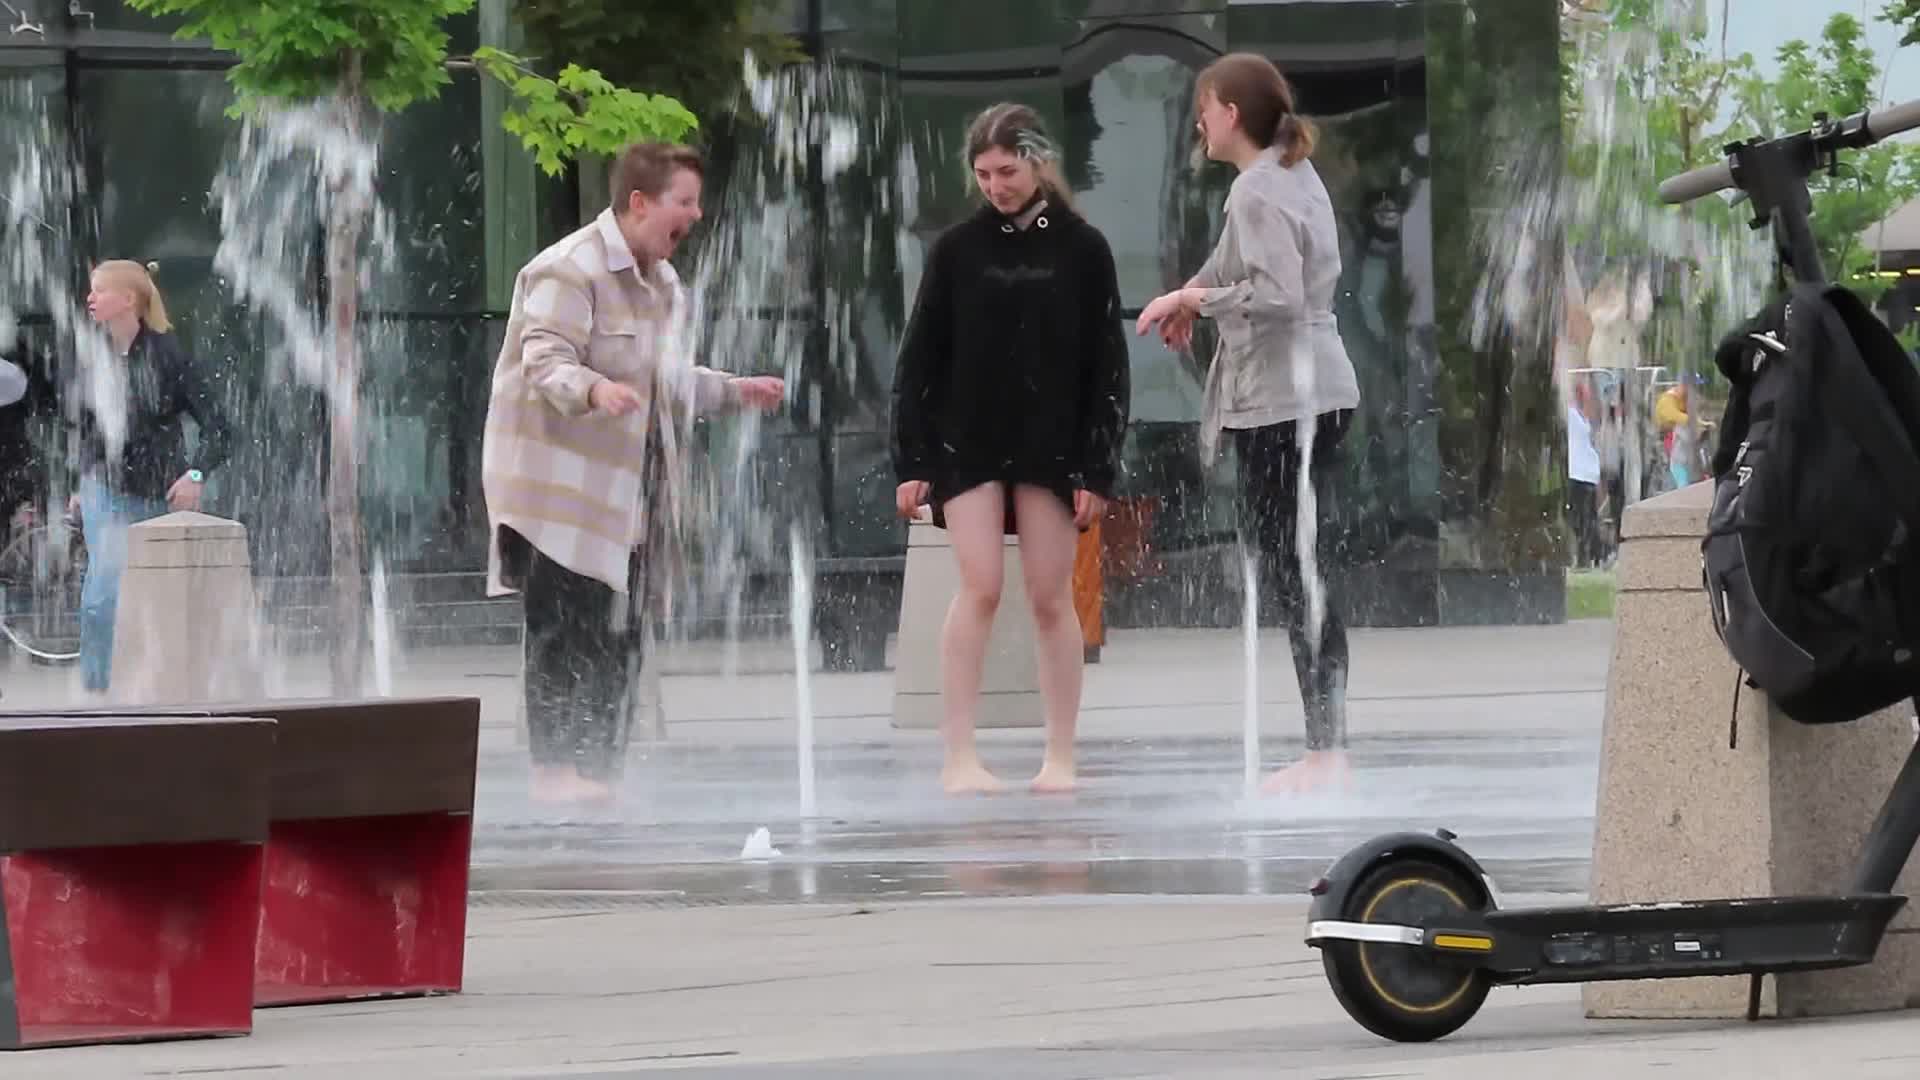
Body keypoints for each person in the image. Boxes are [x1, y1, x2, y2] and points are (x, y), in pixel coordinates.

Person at [482, 142, 785, 809]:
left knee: (620, 631)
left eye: (698, 202)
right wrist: (595, 390)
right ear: (640, 202)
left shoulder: (665, 286)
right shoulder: (568, 269)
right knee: (563, 627)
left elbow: (665, 380)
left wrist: (733, 391)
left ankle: (599, 772)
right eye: (685, 201)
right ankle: (554, 772)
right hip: (558, 490)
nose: (696, 215)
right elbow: (544, 360)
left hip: (631, 491)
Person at [1136, 53, 1362, 795]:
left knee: (1297, 573)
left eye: (1204, 109)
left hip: (1286, 401)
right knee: (1302, 566)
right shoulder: (1286, 174)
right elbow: (1231, 264)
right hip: (1313, 393)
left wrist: (1196, 303)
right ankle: (1327, 746)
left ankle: (1327, 752)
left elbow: (1279, 295)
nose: (1199, 124)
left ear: (1230, 113)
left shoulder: (1257, 188)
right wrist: (1189, 294)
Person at [890, 102, 1130, 796]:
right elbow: (920, 358)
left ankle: (1061, 756)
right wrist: (913, 462)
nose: (996, 185)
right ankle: (959, 755)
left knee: (1051, 596)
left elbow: (1108, 365)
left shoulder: (1083, 248)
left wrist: (1097, 466)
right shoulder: (957, 249)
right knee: (981, 586)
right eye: (984, 173)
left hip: (1053, 443)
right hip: (969, 440)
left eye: (1008, 171)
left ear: (1037, 162)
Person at [69, 260, 230, 693]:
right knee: (103, 594)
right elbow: (89, 428)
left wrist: (195, 474)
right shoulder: (93, 357)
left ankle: (151, 687)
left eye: (99, 290)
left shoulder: (169, 356)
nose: (90, 298)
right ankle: (99, 693)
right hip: (103, 487)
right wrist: (79, 484)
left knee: (152, 599)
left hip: (156, 495)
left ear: (128, 299)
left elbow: (220, 428)